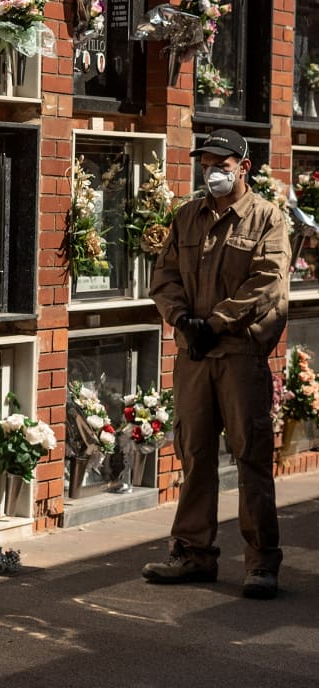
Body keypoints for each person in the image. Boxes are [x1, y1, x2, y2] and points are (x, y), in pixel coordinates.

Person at [144, 128, 290, 599]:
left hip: (240, 355)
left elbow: (267, 283)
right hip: (195, 355)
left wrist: (217, 323)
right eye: (206, 164)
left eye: (222, 165)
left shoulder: (267, 219)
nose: (213, 173)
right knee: (194, 455)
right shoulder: (187, 216)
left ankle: (261, 563)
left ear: (243, 167)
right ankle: (192, 555)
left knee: (251, 457)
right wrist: (183, 321)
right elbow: (164, 275)